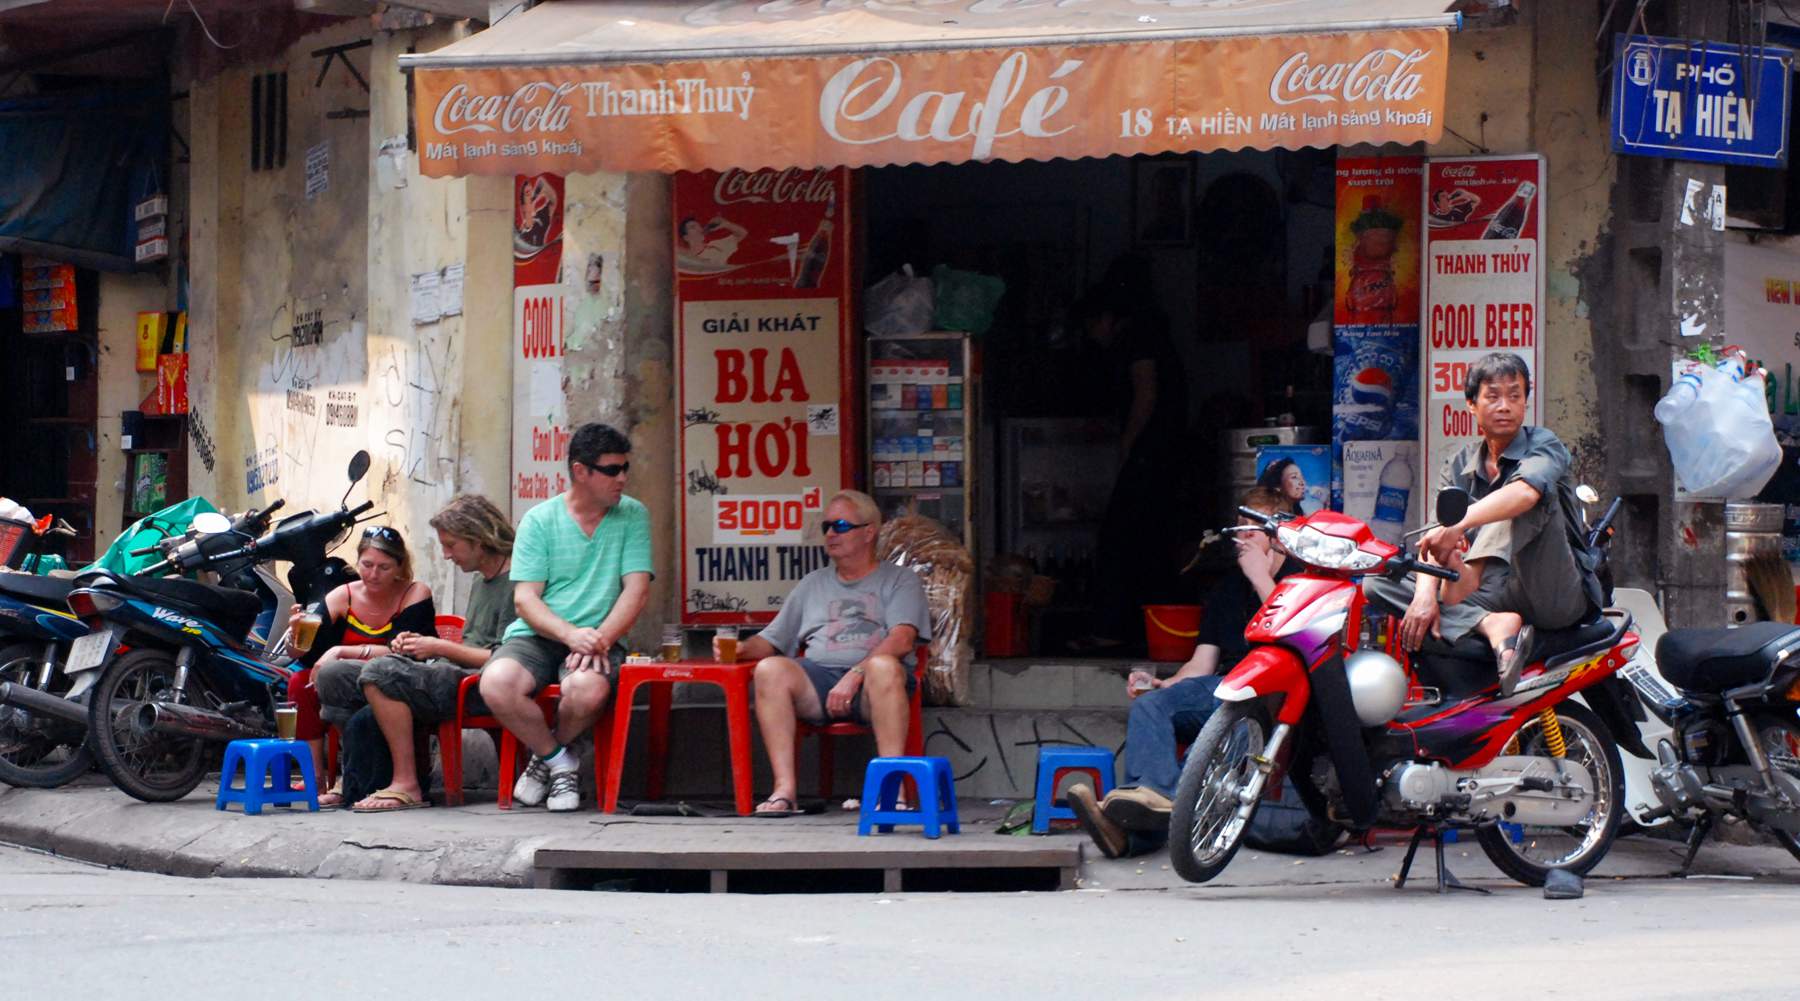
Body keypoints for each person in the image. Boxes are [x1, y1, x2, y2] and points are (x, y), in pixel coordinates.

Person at [1067, 486, 1301, 858]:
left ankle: (1131, 837)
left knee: (1214, 741)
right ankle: (1152, 802)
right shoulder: (1227, 589)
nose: (1242, 537)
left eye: (1253, 529)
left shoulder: (1301, 579)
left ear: (1279, 536)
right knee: (1152, 706)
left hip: (1274, 700)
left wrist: (1260, 579)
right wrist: (1166, 683)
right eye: (1238, 527)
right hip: (1224, 687)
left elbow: (1296, 640)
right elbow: (1202, 662)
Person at [1363, 352, 1603, 695]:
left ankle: (1469, 575)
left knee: (1528, 496)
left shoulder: (1544, 444)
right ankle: (1491, 625)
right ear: (1472, 405)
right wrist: (1425, 595)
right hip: (1492, 597)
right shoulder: (1459, 462)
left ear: (1525, 402)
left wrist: (1459, 527)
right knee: (1377, 584)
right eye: (1493, 396)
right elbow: (1436, 534)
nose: (1504, 406)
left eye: (1514, 396)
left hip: (1552, 592)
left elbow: (1523, 495)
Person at [479, 423, 652, 812]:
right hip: (540, 633)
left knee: (587, 690)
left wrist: (600, 638)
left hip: (600, 637)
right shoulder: (539, 520)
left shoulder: (633, 515)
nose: (622, 478)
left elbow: (637, 590)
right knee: (496, 682)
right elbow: (526, 600)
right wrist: (571, 635)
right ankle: (560, 761)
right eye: (612, 470)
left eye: (625, 468)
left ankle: (543, 762)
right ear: (580, 471)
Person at [313, 495, 516, 812]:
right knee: (333, 674)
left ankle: (407, 783)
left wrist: (436, 646)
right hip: (450, 672)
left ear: (479, 539)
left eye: (451, 545)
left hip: (483, 685)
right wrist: (414, 645)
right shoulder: (481, 580)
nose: (447, 555)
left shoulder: (515, 582)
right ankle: (354, 778)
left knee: (381, 671)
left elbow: (506, 660)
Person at [736, 490, 930, 817]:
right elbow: (772, 640)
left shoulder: (899, 580)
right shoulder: (812, 584)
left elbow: (902, 639)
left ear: (868, 532)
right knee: (769, 669)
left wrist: (856, 674)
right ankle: (784, 792)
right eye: (826, 526)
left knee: (883, 665)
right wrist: (739, 649)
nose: (830, 534)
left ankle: (891, 789)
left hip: (876, 687)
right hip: (819, 678)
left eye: (840, 526)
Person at [1074, 265, 1189, 651]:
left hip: (1151, 453)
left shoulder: (1138, 339)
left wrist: (1128, 442)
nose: (1093, 337)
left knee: (1119, 538)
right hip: (1165, 454)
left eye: (1092, 327)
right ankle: (1151, 634)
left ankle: (1110, 632)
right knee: (1150, 540)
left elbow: (1146, 391)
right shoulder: (1155, 334)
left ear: (1106, 318)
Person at [286, 526, 436, 808]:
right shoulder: (344, 595)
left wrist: (343, 650)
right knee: (299, 682)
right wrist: (296, 635)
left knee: (341, 679)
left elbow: (403, 650)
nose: (373, 574)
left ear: (400, 567)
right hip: (343, 682)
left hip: (395, 678)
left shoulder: (414, 593)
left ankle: (351, 778)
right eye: (366, 565)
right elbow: (304, 656)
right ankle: (316, 776)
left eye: (384, 567)